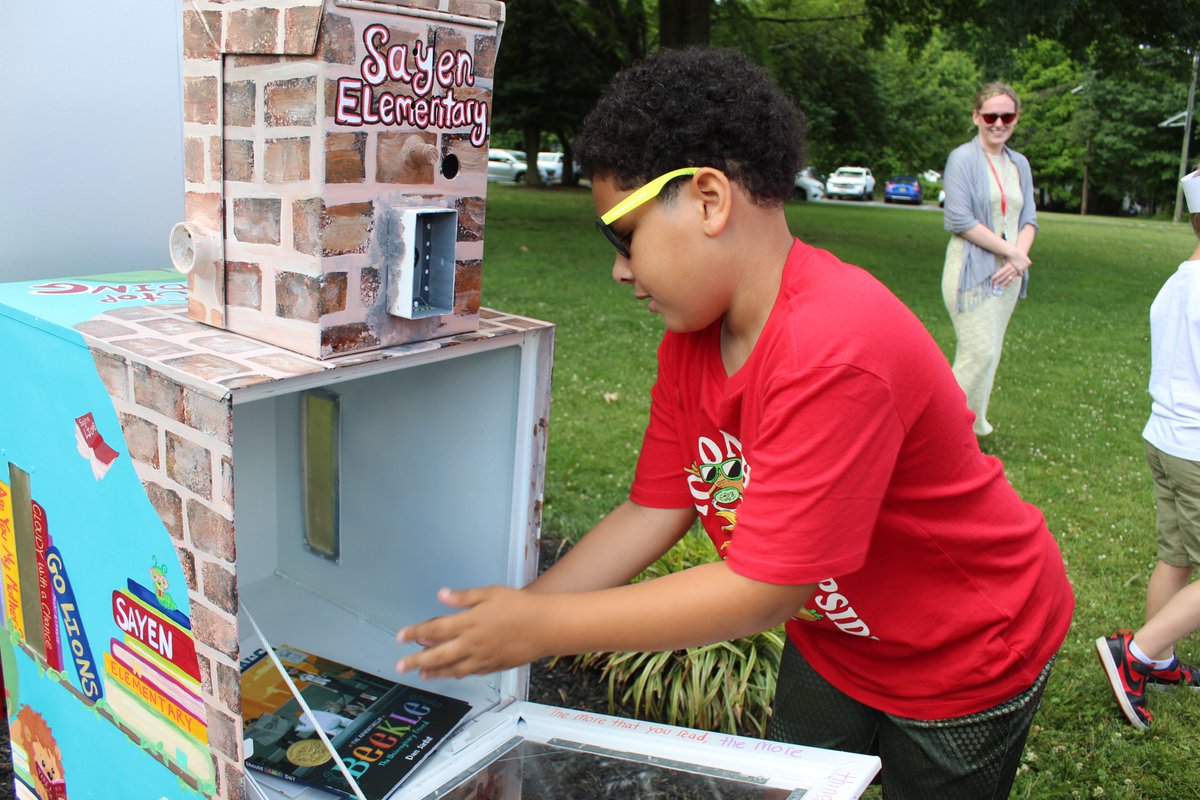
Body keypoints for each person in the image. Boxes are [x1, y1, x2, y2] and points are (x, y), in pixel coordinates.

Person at [396, 47, 1073, 798]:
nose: (619, 270)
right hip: (839, 641)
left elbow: (764, 591)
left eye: (622, 237)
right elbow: (654, 508)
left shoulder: (834, 347)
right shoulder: (691, 342)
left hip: (966, 652)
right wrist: (524, 614)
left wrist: (540, 630)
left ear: (710, 200)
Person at [1096, 169, 1200, 730]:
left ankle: (1157, 661)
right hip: (1196, 448)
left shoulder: (1175, 283)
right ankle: (1135, 654)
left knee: (1176, 556)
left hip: (1165, 439)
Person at [941, 82, 1038, 437]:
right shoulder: (962, 158)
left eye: (1007, 116)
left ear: (1016, 118)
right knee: (978, 352)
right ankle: (941, 431)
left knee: (991, 354)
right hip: (970, 272)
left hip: (1009, 276)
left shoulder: (1019, 163)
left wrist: (1018, 258)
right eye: (990, 116)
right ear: (976, 117)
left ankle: (972, 429)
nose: (998, 123)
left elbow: (1029, 219)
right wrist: (1011, 252)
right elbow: (959, 219)